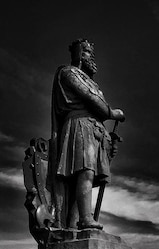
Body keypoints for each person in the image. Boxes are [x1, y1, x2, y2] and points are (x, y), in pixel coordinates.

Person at [48, 38, 125, 230]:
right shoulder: (69, 73)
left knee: (87, 178)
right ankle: (85, 219)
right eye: (89, 53)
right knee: (85, 172)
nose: (92, 58)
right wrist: (113, 113)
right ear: (80, 54)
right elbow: (92, 100)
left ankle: (76, 223)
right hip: (79, 125)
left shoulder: (90, 81)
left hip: (93, 129)